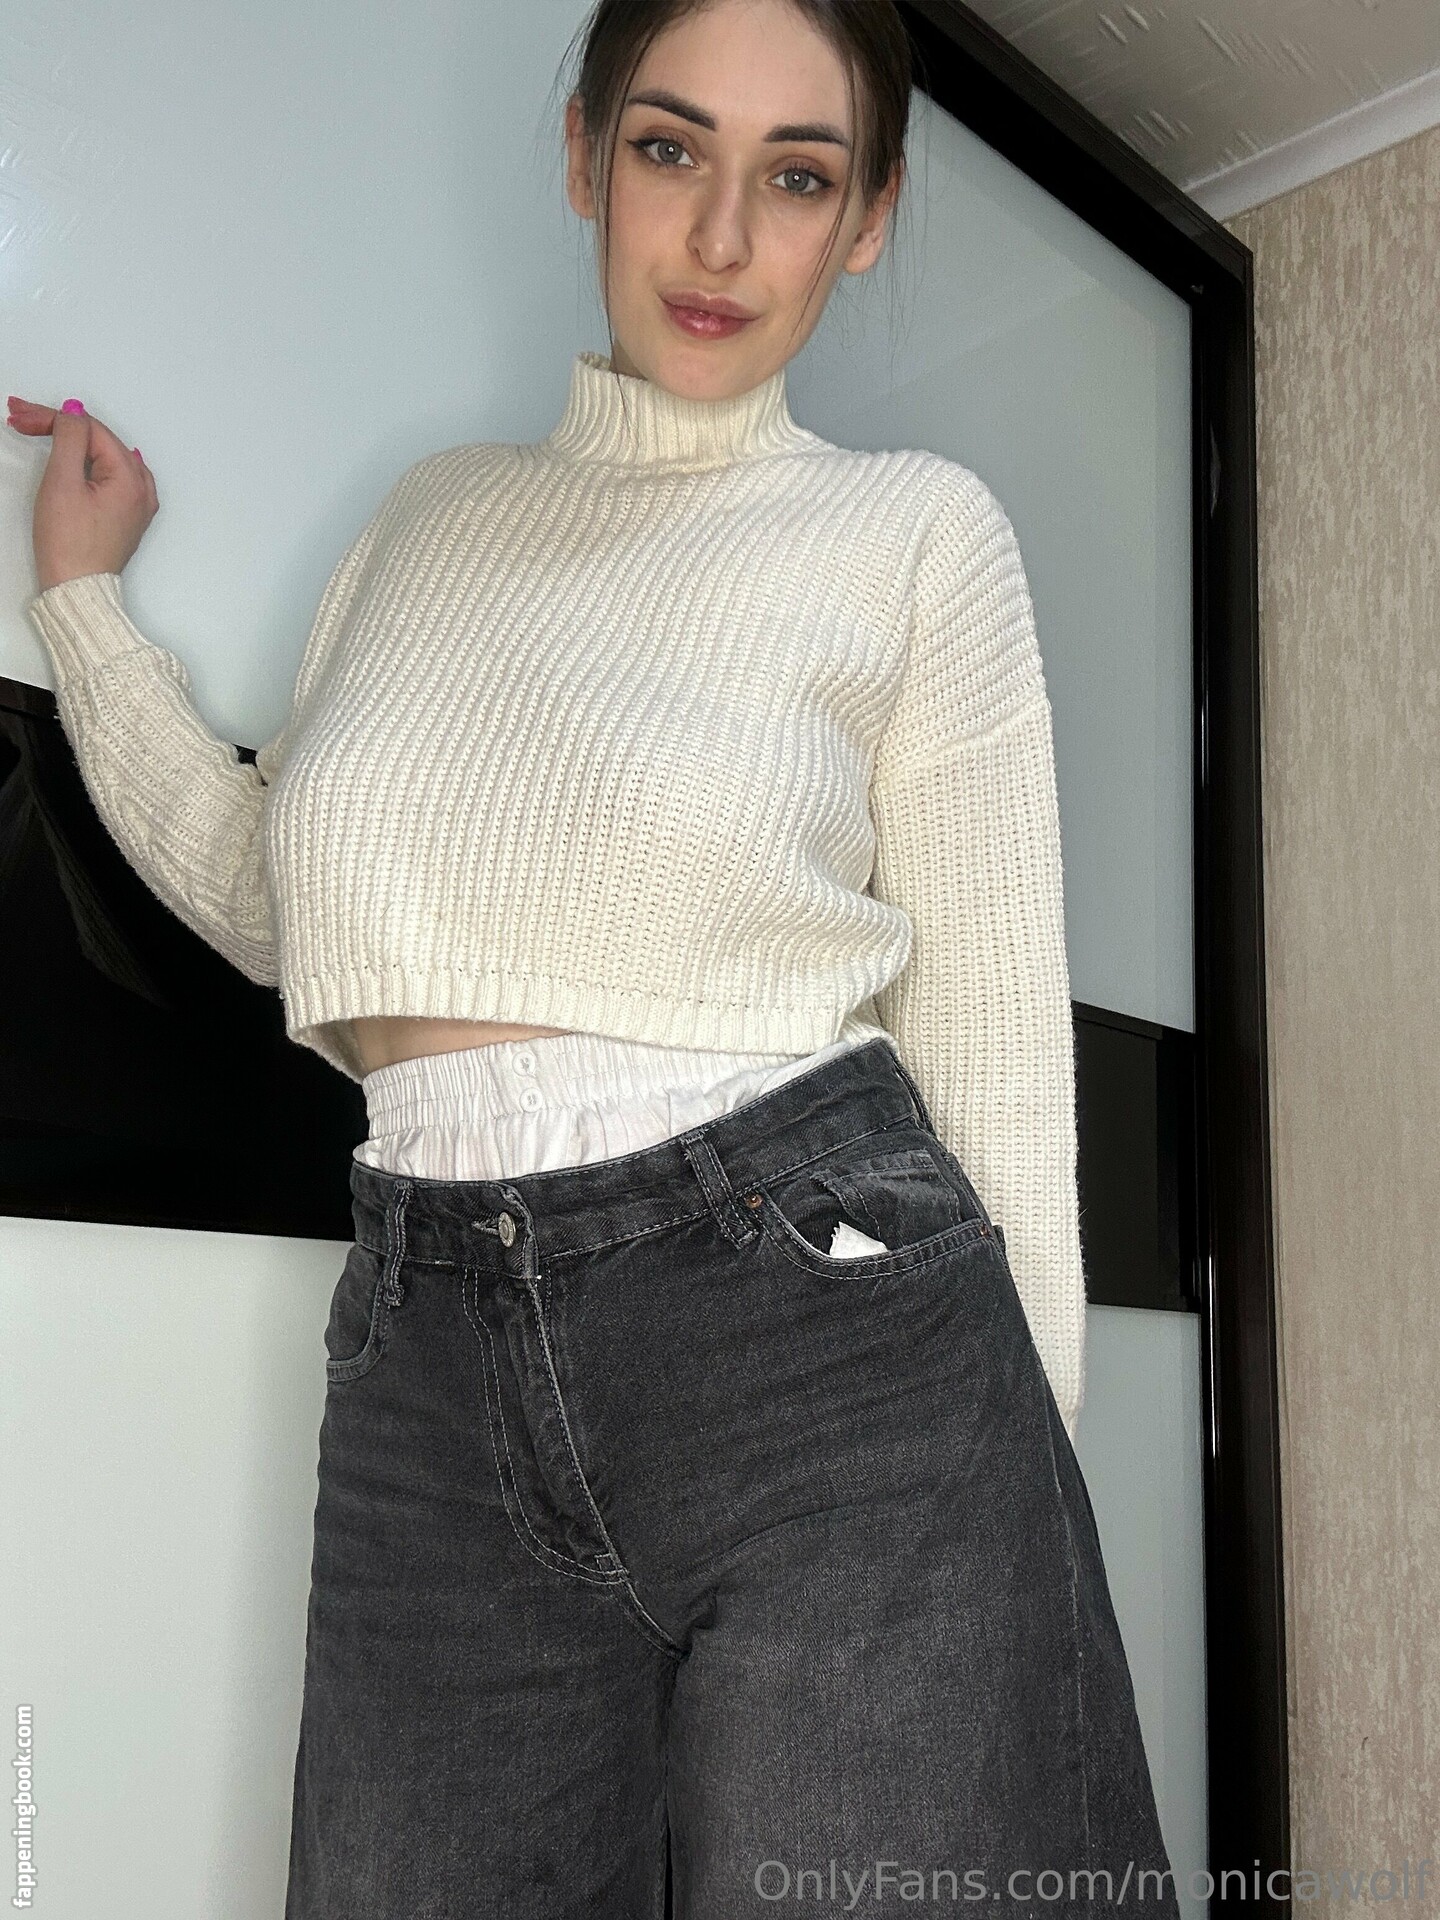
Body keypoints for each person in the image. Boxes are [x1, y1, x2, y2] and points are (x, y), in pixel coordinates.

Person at [12, 1, 1182, 1913]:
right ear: (582, 156)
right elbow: (286, 901)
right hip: (427, 1344)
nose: (720, 235)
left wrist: (1015, 1526)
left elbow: (991, 1047)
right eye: (668, 148)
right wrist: (83, 610)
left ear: (867, 217)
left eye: (796, 177)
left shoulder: (911, 534)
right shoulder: (434, 517)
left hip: (824, 1336)